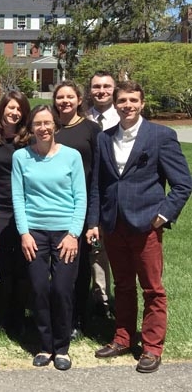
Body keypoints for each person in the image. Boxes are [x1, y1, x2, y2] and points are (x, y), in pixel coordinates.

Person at [88, 81, 192, 374]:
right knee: (122, 285)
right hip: (113, 224)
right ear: (115, 104)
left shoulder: (160, 136)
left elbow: (183, 183)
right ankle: (122, 337)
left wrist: (164, 214)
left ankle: (151, 347)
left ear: (142, 103)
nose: (127, 105)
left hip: (146, 224)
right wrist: (94, 221)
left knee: (152, 289)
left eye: (133, 100)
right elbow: (98, 184)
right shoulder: (104, 139)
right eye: (122, 101)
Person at [12, 104, 86, 371]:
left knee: (62, 289)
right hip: (35, 234)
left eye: (47, 123)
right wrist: (24, 233)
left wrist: (73, 234)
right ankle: (45, 345)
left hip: (65, 232)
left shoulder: (72, 156)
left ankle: (62, 347)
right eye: (37, 124)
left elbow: (81, 198)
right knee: (40, 288)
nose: (42, 128)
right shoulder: (21, 157)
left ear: (55, 125)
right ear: (31, 128)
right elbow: (18, 197)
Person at [53, 80, 101, 338]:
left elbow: (97, 173)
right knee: (58, 265)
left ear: (79, 100)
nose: (65, 101)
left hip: (80, 204)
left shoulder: (91, 130)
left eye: (70, 97)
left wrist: (94, 214)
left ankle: (78, 318)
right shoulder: (51, 128)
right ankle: (58, 313)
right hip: (54, 205)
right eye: (60, 97)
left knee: (80, 264)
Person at [0, 91, 31, 336]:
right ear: (2, 109)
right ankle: (0, 314)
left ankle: (19, 316)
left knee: (23, 265)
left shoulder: (30, 140)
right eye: (10, 108)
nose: (14, 112)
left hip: (26, 208)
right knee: (1, 264)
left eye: (19, 109)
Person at [84, 71, 119, 319]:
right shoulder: (83, 118)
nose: (102, 90)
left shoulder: (124, 117)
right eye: (97, 86)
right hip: (88, 195)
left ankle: (123, 298)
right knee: (96, 249)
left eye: (107, 86)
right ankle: (101, 299)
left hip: (114, 196)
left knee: (118, 249)